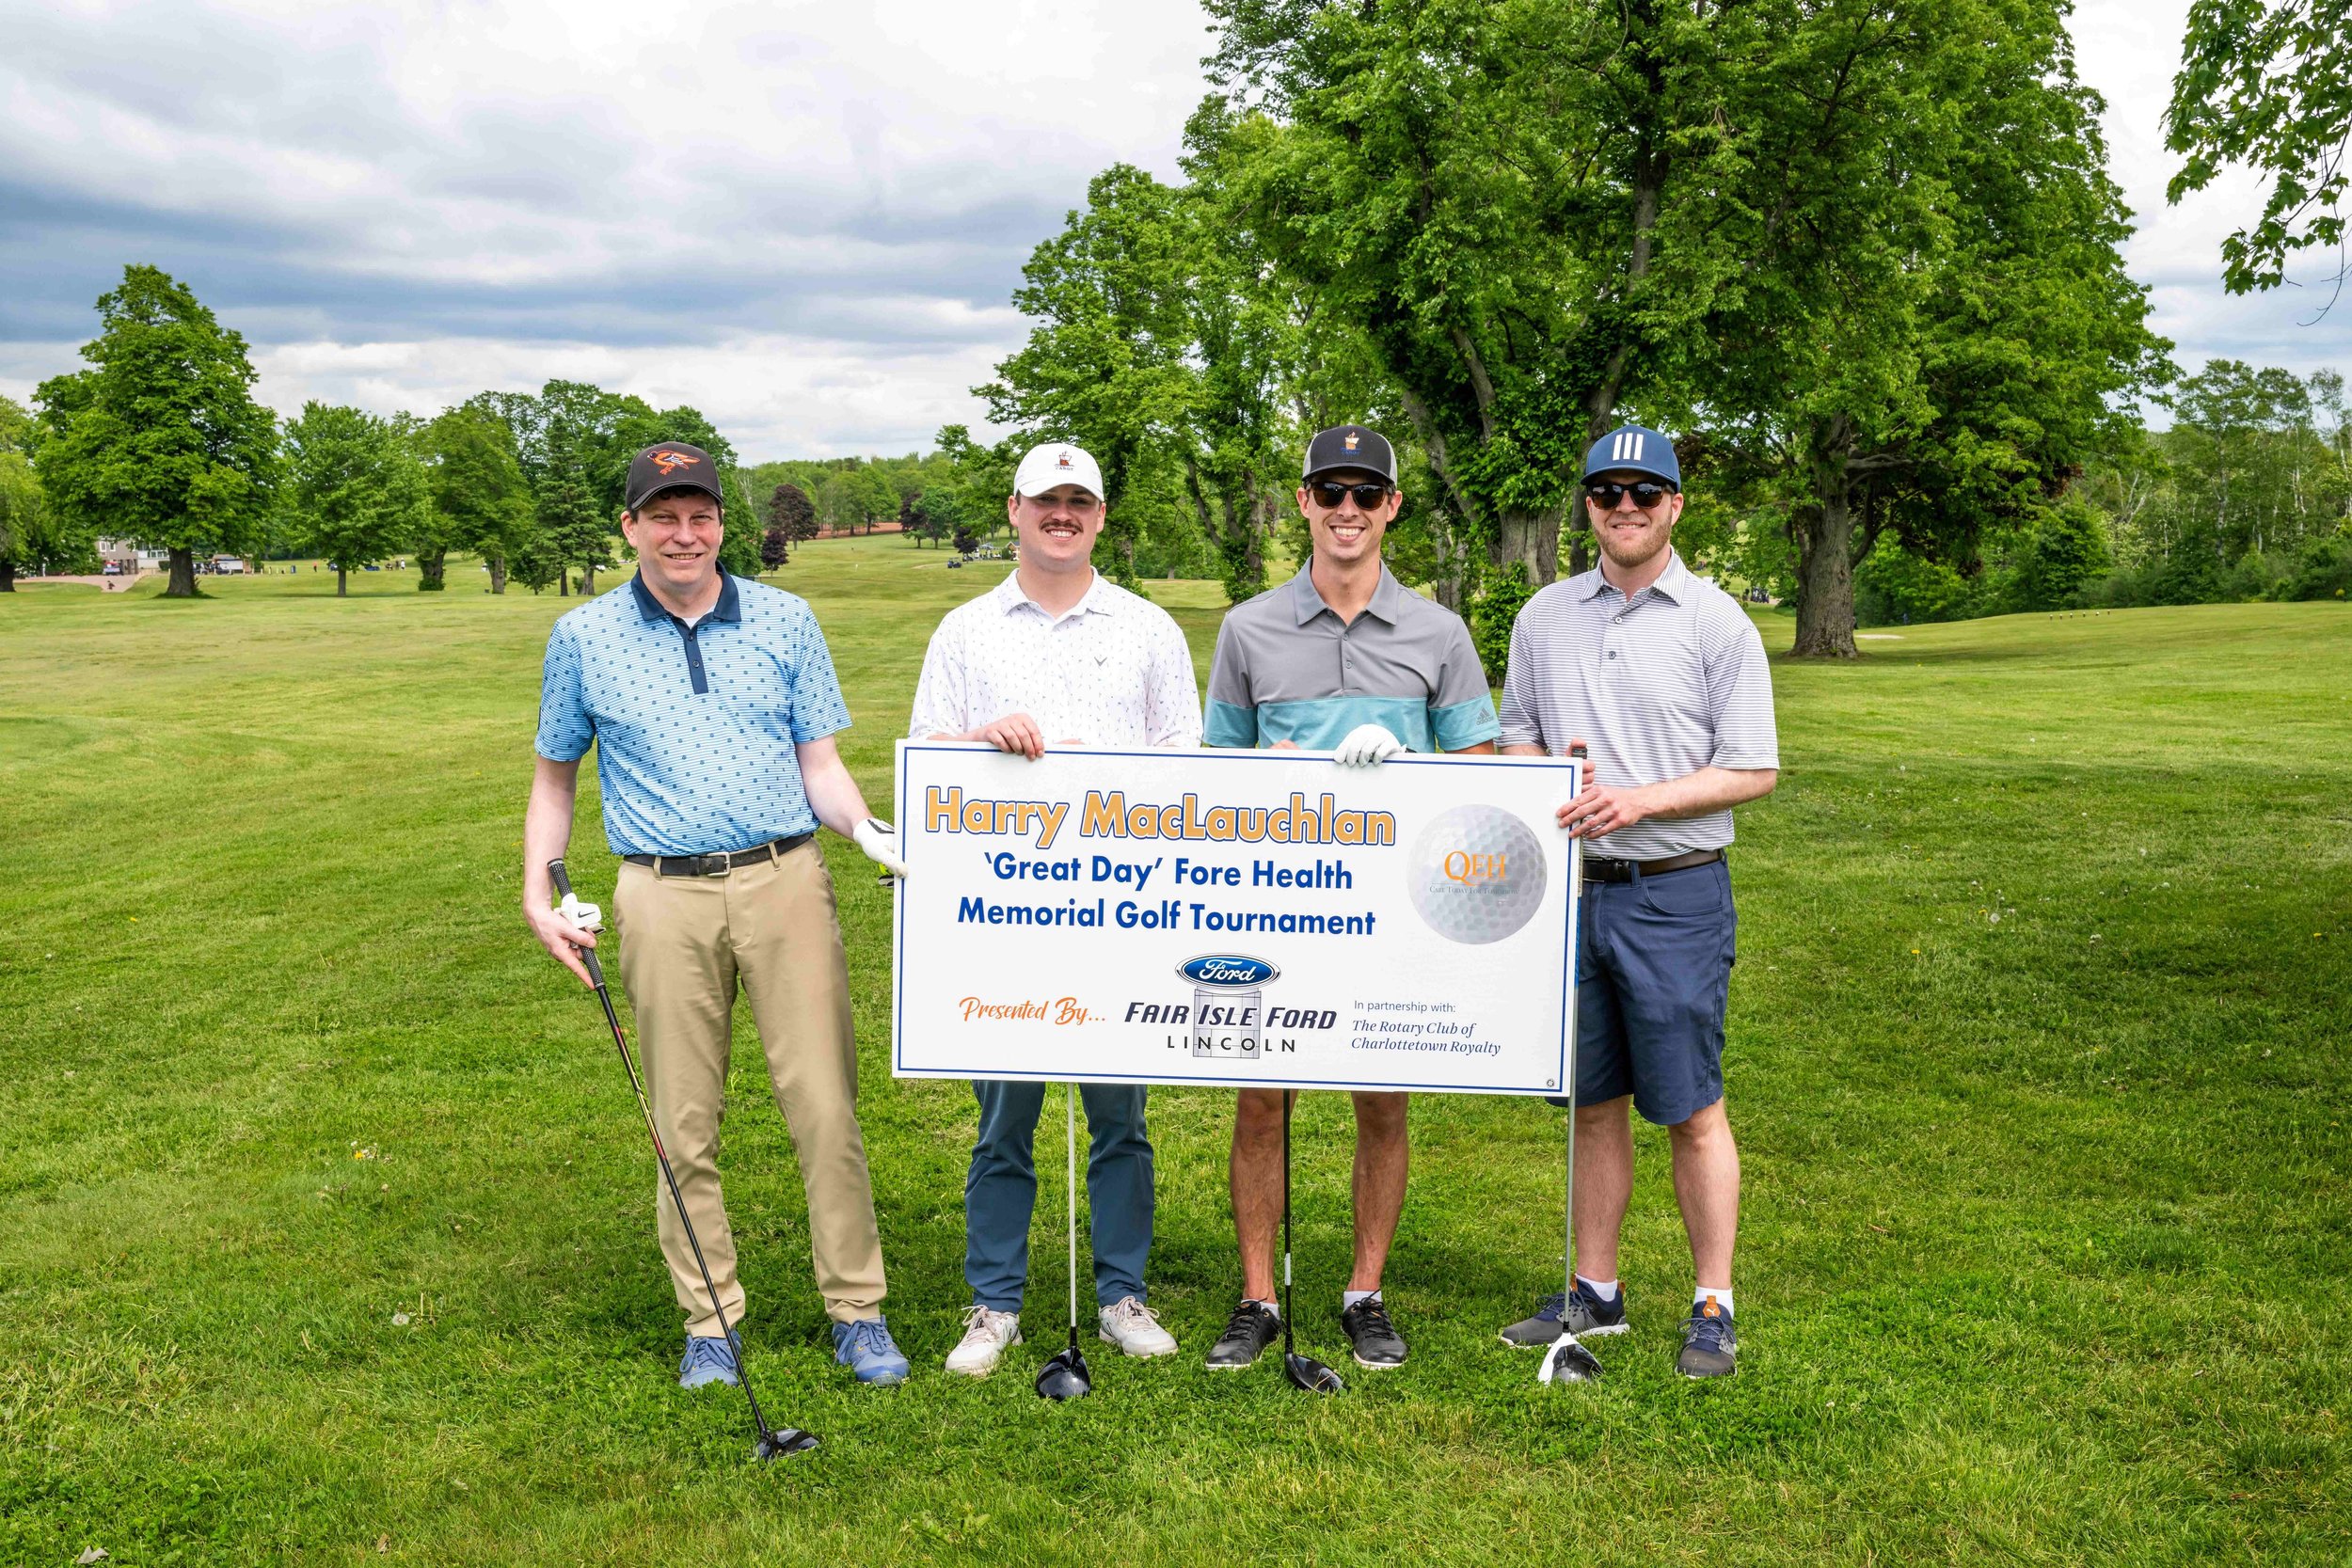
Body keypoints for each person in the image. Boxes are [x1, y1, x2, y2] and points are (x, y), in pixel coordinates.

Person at [522, 441, 915, 1390]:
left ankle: (856, 1308)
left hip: (784, 876)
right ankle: (711, 1321)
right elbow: (553, 778)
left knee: (824, 1103)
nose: (683, 532)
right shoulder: (583, 636)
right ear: (631, 526)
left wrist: (865, 828)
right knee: (682, 1119)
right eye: (663, 515)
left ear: (721, 526)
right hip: (659, 891)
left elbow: (817, 762)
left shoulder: (785, 618)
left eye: (698, 514)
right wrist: (539, 892)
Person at [1200, 423, 1500, 1372]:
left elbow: (1482, 767)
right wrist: (1263, 767)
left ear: (1391, 509)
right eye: (1329, 491)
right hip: (1278, 898)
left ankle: (1364, 1290)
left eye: (1365, 494)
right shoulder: (1248, 626)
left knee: (1381, 1098)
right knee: (1261, 1100)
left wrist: (1413, 765)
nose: (1346, 509)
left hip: (1393, 909)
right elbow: (1211, 774)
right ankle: (1257, 1295)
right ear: (1302, 502)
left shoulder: (1437, 631)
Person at [908, 440, 1203, 1377]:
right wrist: (976, 737)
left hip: (1121, 908)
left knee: (1120, 1119)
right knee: (1004, 1122)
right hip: (1005, 918)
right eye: (1046, 500)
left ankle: (1119, 1293)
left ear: (1101, 516)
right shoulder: (965, 628)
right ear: (1015, 510)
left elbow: (1186, 762)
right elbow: (924, 758)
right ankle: (993, 1303)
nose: (1062, 514)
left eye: (1079, 500)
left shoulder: (1150, 627)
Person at [1493, 423, 1778, 1379]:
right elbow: (1517, 734)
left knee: (1690, 1104)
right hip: (1575, 895)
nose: (1624, 506)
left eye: (1643, 492)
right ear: (1586, 506)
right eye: (1606, 491)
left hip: (1673, 889)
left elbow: (1752, 769)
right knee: (1593, 1101)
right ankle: (1598, 1291)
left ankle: (1712, 1301)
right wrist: (1547, 772)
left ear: (1674, 506)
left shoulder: (1715, 620)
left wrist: (1639, 796)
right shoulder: (1542, 616)